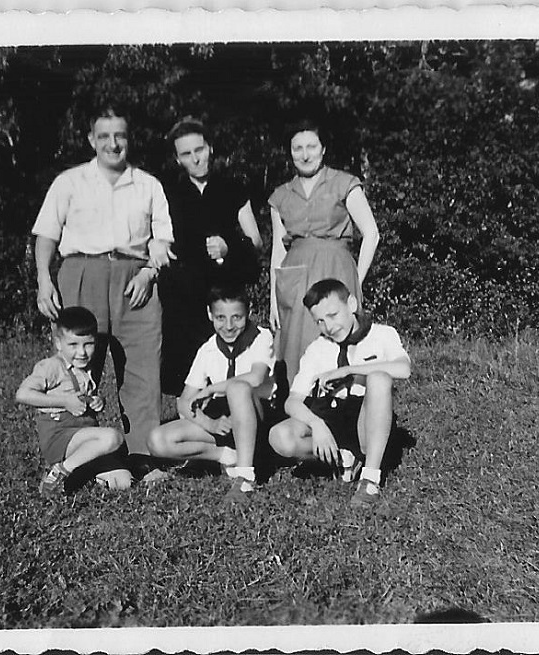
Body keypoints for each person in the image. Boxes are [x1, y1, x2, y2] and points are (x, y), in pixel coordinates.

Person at [31, 105, 174, 479]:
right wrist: (44, 279)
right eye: (105, 136)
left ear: (129, 139)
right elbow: (46, 233)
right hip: (81, 273)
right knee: (76, 367)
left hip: (135, 281)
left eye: (120, 136)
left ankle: (144, 454)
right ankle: (78, 451)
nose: (113, 144)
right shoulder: (69, 182)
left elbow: (162, 240)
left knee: (143, 369)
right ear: (91, 140)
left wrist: (149, 271)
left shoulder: (148, 185)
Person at [268, 279, 410, 508]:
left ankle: (370, 478)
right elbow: (292, 401)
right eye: (320, 321)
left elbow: (403, 369)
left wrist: (348, 370)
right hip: (331, 414)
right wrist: (316, 424)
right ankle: (343, 458)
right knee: (280, 436)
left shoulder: (382, 334)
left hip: (367, 417)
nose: (329, 327)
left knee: (379, 378)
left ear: (351, 304)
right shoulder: (318, 348)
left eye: (333, 315)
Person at [268, 120, 380, 385]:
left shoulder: (344, 183)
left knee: (337, 338)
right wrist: (273, 298)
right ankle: (299, 411)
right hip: (294, 280)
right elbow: (277, 250)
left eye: (311, 147)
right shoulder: (280, 196)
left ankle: (344, 410)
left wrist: (356, 281)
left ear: (323, 149)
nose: (305, 155)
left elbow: (371, 235)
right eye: (297, 148)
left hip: (335, 269)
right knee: (297, 345)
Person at [160, 117, 262, 396]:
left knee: (231, 371)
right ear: (177, 159)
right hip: (184, 300)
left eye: (200, 150)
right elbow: (155, 237)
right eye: (186, 154)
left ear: (211, 148)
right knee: (188, 378)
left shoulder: (233, 187)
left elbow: (256, 242)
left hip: (225, 295)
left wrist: (230, 246)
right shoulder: (167, 193)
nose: (195, 159)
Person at [147, 286, 274, 503]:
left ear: (249, 311)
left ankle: (245, 476)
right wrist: (210, 425)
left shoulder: (262, 337)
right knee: (158, 440)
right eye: (220, 318)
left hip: (257, 415)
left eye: (237, 317)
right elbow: (185, 401)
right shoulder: (208, 349)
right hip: (223, 416)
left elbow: (255, 378)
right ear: (209, 314)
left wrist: (212, 389)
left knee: (238, 388)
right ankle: (227, 455)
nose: (229, 326)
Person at [16, 306, 133, 495]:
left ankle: (80, 471)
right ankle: (59, 472)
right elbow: (22, 394)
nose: (82, 352)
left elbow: (82, 398)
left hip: (82, 436)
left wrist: (96, 401)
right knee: (113, 437)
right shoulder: (52, 366)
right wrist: (64, 402)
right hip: (60, 437)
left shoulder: (85, 369)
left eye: (88, 344)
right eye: (73, 345)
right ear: (59, 343)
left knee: (123, 481)